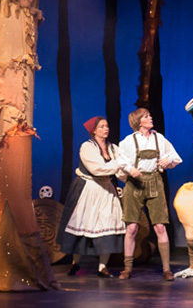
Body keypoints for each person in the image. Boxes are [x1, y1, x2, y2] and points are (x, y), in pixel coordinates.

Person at [117, 108, 181, 280]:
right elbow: (120, 160)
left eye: (149, 114)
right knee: (131, 228)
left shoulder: (159, 138)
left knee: (160, 226)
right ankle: (127, 268)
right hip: (134, 184)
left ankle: (167, 269)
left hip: (155, 182)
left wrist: (167, 161)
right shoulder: (129, 141)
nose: (150, 117)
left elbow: (175, 157)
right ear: (138, 122)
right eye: (146, 116)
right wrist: (130, 169)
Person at [57, 116, 126, 278]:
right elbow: (97, 169)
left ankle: (102, 267)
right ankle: (75, 262)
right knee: (83, 224)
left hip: (106, 190)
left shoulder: (113, 149)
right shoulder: (87, 147)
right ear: (93, 131)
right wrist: (119, 165)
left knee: (109, 222)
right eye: (101, 127)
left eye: (107, 126)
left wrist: (131, 175)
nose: (106, 129)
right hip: (88, 189)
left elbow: (121, 171)